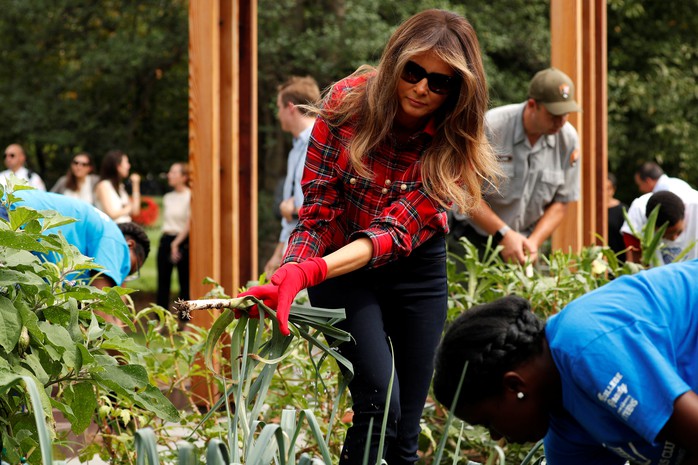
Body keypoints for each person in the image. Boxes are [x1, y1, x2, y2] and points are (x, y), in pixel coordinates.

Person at [239, 10, 500, 465]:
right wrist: (290, 273)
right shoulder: (344, 105)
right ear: (396, 61)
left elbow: (394, 232)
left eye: (439, 83)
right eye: (414, 72)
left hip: (414, 267)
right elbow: (317, 212)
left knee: (405, 432)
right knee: (380, 405)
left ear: (458, 90)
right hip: (342, 269)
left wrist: (309, 269)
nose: (421, 88)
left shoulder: (454, 141)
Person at [433, 259, 698, 465]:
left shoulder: (586, 346)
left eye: (488, 421)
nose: (495, 436)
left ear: (514, 386)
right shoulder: (565, 424)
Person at [449, 67, 581, 265]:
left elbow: (561, 202)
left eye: (565, 114)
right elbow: (465, 192)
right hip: (473, 241)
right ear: (532, 105)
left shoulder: (568, 140)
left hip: (524, 245)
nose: (561, 122)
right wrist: (504, 234)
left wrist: (533, 242)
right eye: (554, 114)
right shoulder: (492, 126)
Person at [4, 189, 149, 289]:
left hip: (13, 211)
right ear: (130, 245)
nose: (123, 274)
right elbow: (99, 303)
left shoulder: (97, 233)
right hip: (11, 214)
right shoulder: (116, 239)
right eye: (131, 268)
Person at [263, 76, 321, 276]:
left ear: (290, 107)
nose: (278, 114)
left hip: (314, 257)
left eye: (279, 107)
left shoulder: (323, 142)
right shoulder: (296, 148)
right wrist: (278, 254)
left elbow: (324, 207)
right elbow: (291, 213)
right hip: (293, 252)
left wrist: (295, 211)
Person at [622, 162, 698, 263]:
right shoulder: (639, 209)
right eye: (665, 236)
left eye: (678, 232)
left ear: (685, 213)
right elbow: (633, 256)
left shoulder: (694, 205)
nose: (673, 239)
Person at [156, 162, 191, 309]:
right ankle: (160, 319)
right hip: (166, 240)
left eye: (174, 172)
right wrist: (170, 244)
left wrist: (176, 244)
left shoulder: (190, 196)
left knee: (184, 282)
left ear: (184, 177)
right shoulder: (167, 197)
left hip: (183, 241)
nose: (169, 175)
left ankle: (185, 320)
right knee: (163, 282)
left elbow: (190, 223)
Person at [94, 149, 141, 223]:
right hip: (114, 229)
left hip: (126, 226)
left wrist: (136, 185)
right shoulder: (103, 186)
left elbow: (135, 211)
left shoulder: (120, 187)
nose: (129, 166)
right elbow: (111, 214)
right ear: (118, 166)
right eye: (126, 162)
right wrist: (128, 208)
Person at [606, 172, 627, 261]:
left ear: (613, 190)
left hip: (618, 259)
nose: (604, 192)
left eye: (608, 189)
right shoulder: (592, 210)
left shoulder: (622, 210)